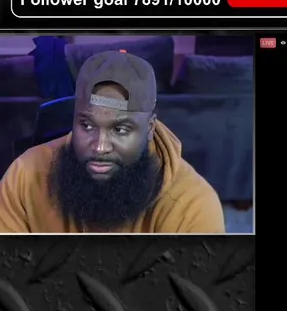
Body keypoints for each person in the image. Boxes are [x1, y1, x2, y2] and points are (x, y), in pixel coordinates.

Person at [0, 50, 225, 233]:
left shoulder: (192, 205)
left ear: (149, 128)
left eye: (120, 130)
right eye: (87, 126)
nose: (100, 147)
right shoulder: (25, 175)